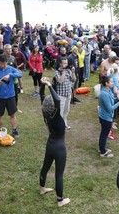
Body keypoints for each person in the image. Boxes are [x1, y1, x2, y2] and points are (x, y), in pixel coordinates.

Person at [38, 77, 70, 207]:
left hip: (50, 144)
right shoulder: (56, 115)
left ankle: (42, 188)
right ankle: (60, 200)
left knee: (45, 167)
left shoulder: (45, 112)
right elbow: (57, 99)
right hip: (59, 147)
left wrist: (42, 85)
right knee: (59, 174)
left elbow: (41, 96)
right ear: (53, 107)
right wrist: (49, 85)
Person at [0, 54, 22, 138]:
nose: (2, 65)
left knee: (12, 114)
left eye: (4, 64)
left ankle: (14, 130)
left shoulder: (11, 69)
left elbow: (20, 75)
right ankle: (0, 130)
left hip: (10, 96)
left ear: (6, 62)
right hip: (0, 97)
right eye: (0, 64)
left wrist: (11, 75)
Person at [98, 76, 119, 158]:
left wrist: (117, 98)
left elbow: (112, 100)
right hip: (106, 117)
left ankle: (102, 148)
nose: (113, 83)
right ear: (106, 83)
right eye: (111, 82)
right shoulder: (104, 94)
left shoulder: (108, 91)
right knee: (104, 134)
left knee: (104, 133)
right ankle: (103, 152)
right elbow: (109, 109)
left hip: (106, 117)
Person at [54, 57, 76, 129]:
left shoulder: (69, 71)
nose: (66, 65)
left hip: (68, 94)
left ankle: (64, 124)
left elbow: (74, 80)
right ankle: (59, 126)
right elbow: (60, 81)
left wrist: (73, 72)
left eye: (66, 63)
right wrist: (63, 71)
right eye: (64, 63)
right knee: (60, 111)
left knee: (66, 110)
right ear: (60, 63)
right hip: (61, 95)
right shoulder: (57, 72)